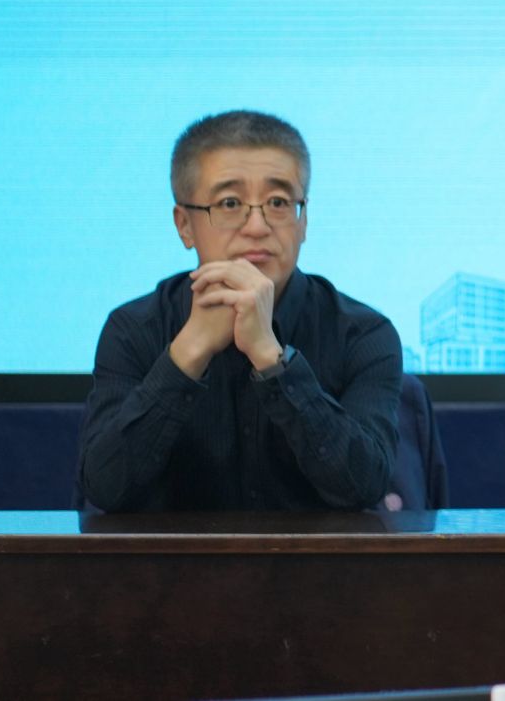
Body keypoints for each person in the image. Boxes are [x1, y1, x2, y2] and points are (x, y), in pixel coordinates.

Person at [77, 110, 401, 512]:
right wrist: (187, 353)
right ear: (184, 225)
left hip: (314, 556)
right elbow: (105, 490)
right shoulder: (133, 329)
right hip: (178, 556)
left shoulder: (363, 334)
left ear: (303, 222)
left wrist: (272, 359)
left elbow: (364, 486)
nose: (257, 226)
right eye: (230, 203)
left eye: (278, 202)